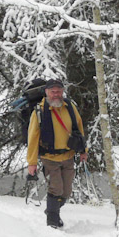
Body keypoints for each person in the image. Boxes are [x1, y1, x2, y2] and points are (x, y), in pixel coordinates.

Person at [27, 79, 88, 228]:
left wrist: (83, 150)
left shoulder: (70, 107)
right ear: (46, 92)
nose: (56, 94)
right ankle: (53, 222)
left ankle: (51, 211)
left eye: (59, 91)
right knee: (56, 188)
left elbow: (79, 130)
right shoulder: (39, 112)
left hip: (68, 157)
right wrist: (32, 163)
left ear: (62, 92)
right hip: (49, 158)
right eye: (53, 92)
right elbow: (32, 138)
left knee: (66, 191)